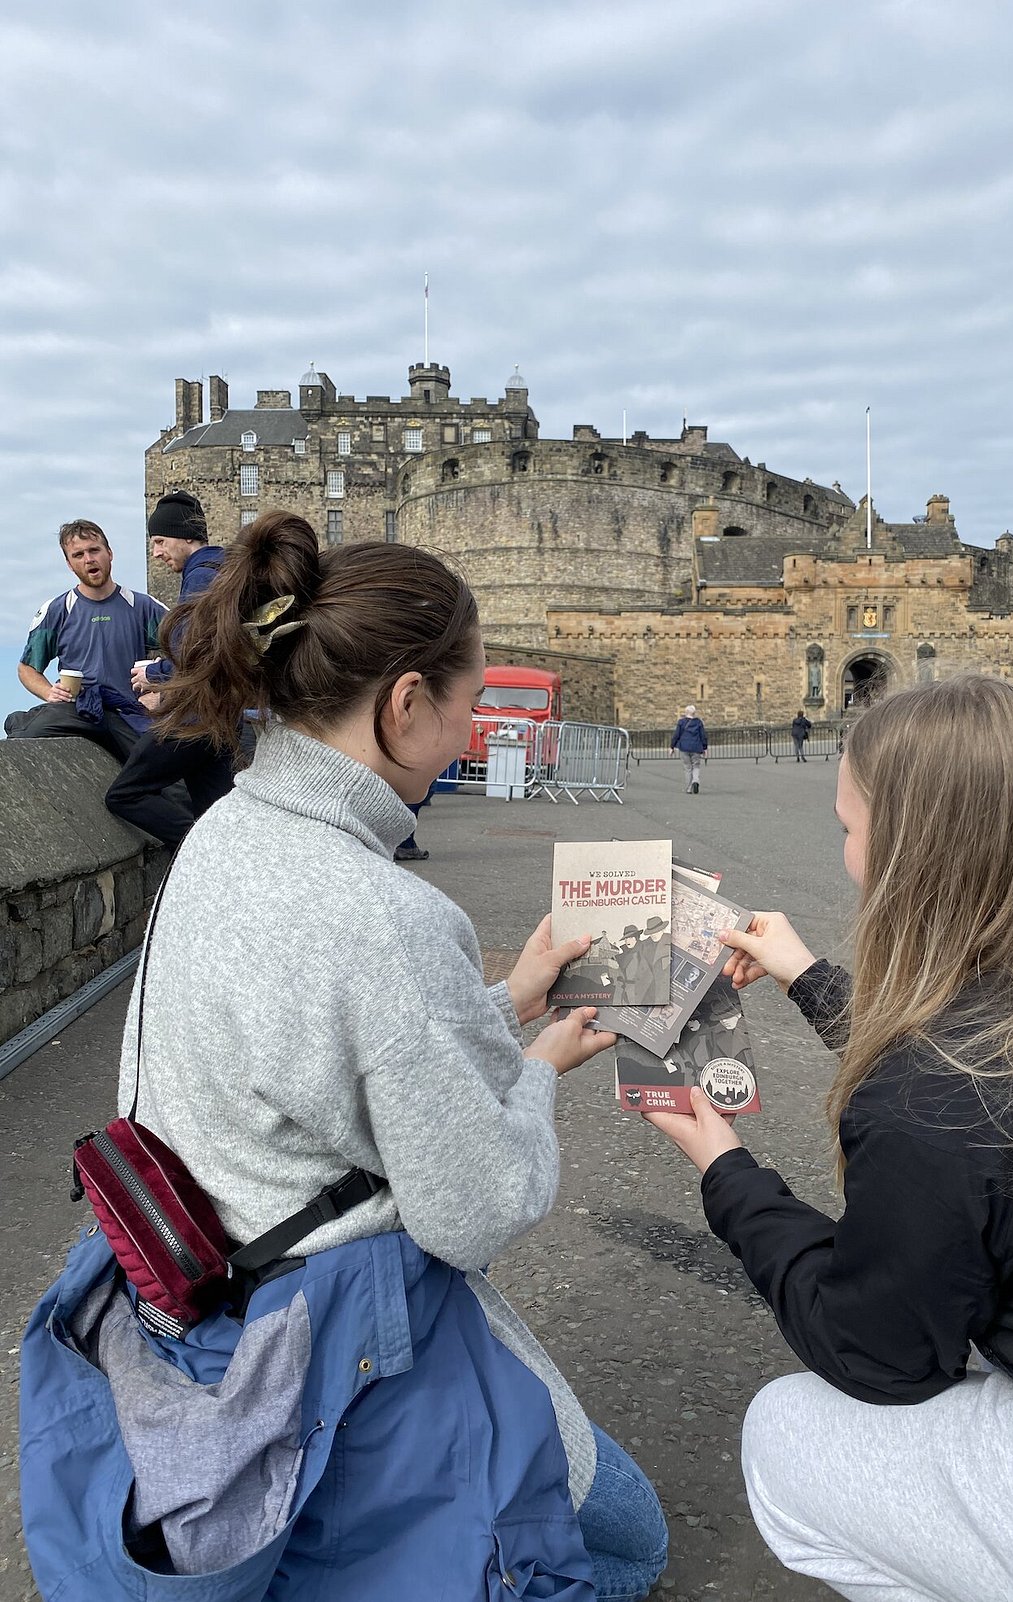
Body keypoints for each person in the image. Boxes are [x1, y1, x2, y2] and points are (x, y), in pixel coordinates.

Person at [20, 513, 668, 1602]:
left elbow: (334, 1033)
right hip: (322, 1331)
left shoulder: (227, 830)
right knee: (633, 1542)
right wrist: (544, 1062)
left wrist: (510, 997)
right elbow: (473, 1210)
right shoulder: (384, 912)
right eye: (464, 709)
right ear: (406, 703)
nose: (469, 738)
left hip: (194, 1275)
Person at [644, 676, 1013, 1602]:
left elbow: (878, 1356)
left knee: (787, 1436)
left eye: (850, 829)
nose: (849, 855)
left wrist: (726, 1169)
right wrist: (814, 981)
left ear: (909, 852)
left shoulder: (929, 1095)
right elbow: (1004, 1066)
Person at [104, 492, 237, 849]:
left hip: (196, 718)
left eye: (160, 541)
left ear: (186, 537)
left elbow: (196, 650)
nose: (156, 553)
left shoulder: (201, 576)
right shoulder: (224, 569)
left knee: (124, 793)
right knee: (218, 815)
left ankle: (198, 852)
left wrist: (156, 674)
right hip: (222, 720)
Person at [6, 518, 165, 762]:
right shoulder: (58, 610)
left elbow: (186, 652)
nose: (88, 559)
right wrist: (49, 692)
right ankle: (21, 719)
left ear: (109, 553)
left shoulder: (143, 607)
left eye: (94, 550)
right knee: (26, 734)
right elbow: (27, 667)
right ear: (69, 564)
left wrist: (161, 690)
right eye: (78, 555)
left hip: (125, 711)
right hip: (76, 709)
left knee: (160, 767)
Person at [670, 703, 707, 794]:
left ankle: (689, 788)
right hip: (696, 747)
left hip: (684, 747)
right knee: (696, 766)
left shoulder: (681, 722)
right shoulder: (698, 722)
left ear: (686, 712)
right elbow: (703, 736)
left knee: (687, 768)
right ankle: (695, 780)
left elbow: (676, 735)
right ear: (694, 713)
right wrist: (705, 747)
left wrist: (672, 746)